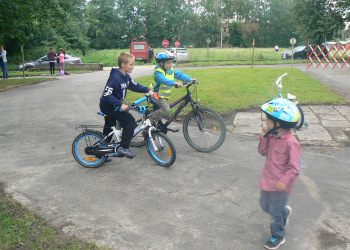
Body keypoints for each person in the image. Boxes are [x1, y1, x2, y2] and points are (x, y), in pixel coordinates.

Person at [258, 98, 301, 249]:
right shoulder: (271, 135)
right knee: (264, 205)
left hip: (280, 185)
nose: (266, 123)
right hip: (267, 180)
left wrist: (285, 179)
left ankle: (278, 235)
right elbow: (262, 152)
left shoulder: (291, 142)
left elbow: (295, 167)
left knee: (274, 213)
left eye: (268, 120)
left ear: (279, 123)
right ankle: (284, 212)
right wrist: (263, 138)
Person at [99, 52, 155, 158]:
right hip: (108, 105)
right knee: (129, 121)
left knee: (110, 129)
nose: (133, 67)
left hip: (112, 105)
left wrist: (148, 90)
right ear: (123, 64)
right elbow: (106, 95)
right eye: (131, 64)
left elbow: (135, 85)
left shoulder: (125, 76)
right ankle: (123, 147)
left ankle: (100, 153)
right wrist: (120, 104)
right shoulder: (116, 78)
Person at [148, 50, 193, 124]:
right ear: (161, 63)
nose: (171, 65)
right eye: (168, 63)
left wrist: (190, 79)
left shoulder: (170, 70)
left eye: (171, 62)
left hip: (162, 96)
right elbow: (164, 80)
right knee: (166, 110)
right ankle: (149, 120)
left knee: (160, 112)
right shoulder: (158, 72)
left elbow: (179, 74)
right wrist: (174, 83)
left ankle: (157, 126)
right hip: (155, 95)